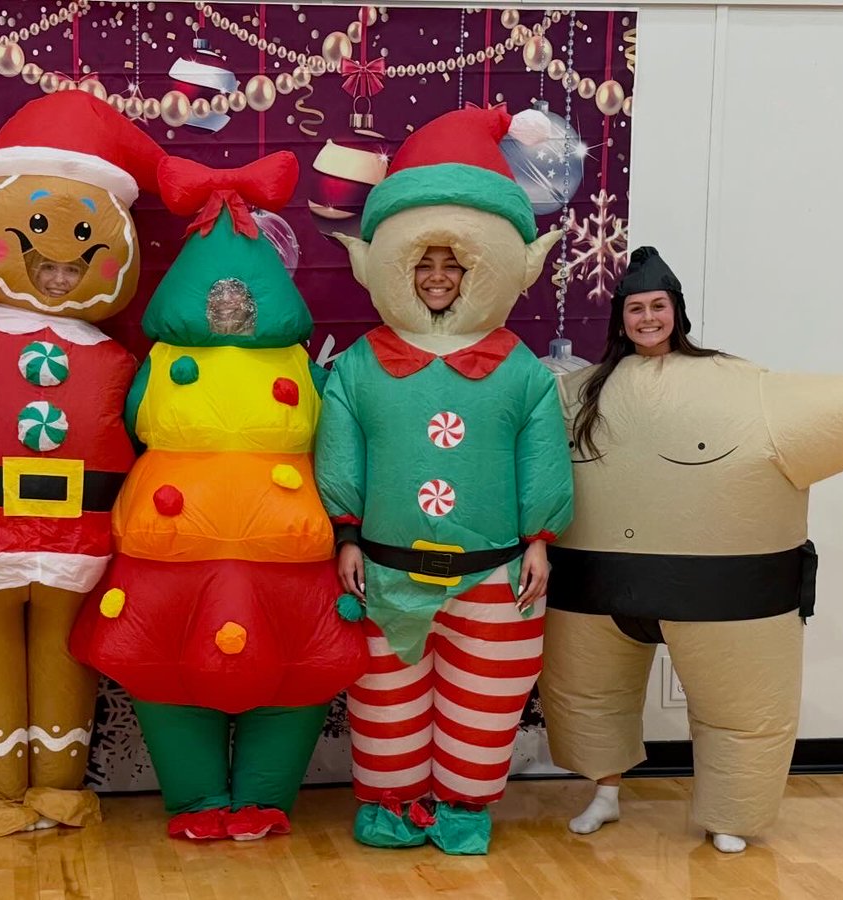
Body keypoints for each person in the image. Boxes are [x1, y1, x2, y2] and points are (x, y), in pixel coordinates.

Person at [71, 152, 367, 842]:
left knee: (292, 679)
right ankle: (197, 798)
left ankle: (264, 797)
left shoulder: (290, 362)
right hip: (170, 562)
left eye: (241, 300)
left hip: (284, 565)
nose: (230, 307)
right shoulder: (169, 364)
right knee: (165, 674)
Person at [316, 105, 574, 855]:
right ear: (394, 264)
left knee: (482, 703)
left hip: (493, 576)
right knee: (387, 700)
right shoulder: (361, 366)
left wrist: (541, 541)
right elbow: (340, 460)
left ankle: (461, 808)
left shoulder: (521, 369)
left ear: (480, 267)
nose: (436, 278)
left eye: (452, 263)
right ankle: (393, 806)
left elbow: (542, 461)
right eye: (423, 263)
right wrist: (347, 535)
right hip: (388, 572)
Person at [541, 246, 843, 853]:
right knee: (587, 696)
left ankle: (729, 815)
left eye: (658, 306)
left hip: (727, 595)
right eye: (636, 308)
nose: (648, 318)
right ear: (621, 319)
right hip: (593, 587)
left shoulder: (747, 388)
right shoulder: (577, 393)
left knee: (739, 707)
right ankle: (603, 795)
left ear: (676, 312)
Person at [0, 91, 165, 837]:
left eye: (86, 233)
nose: (60, 253)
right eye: (39, 224)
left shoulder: (122, 359)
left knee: (65, 655)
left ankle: (56, 785)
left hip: (80, 549)